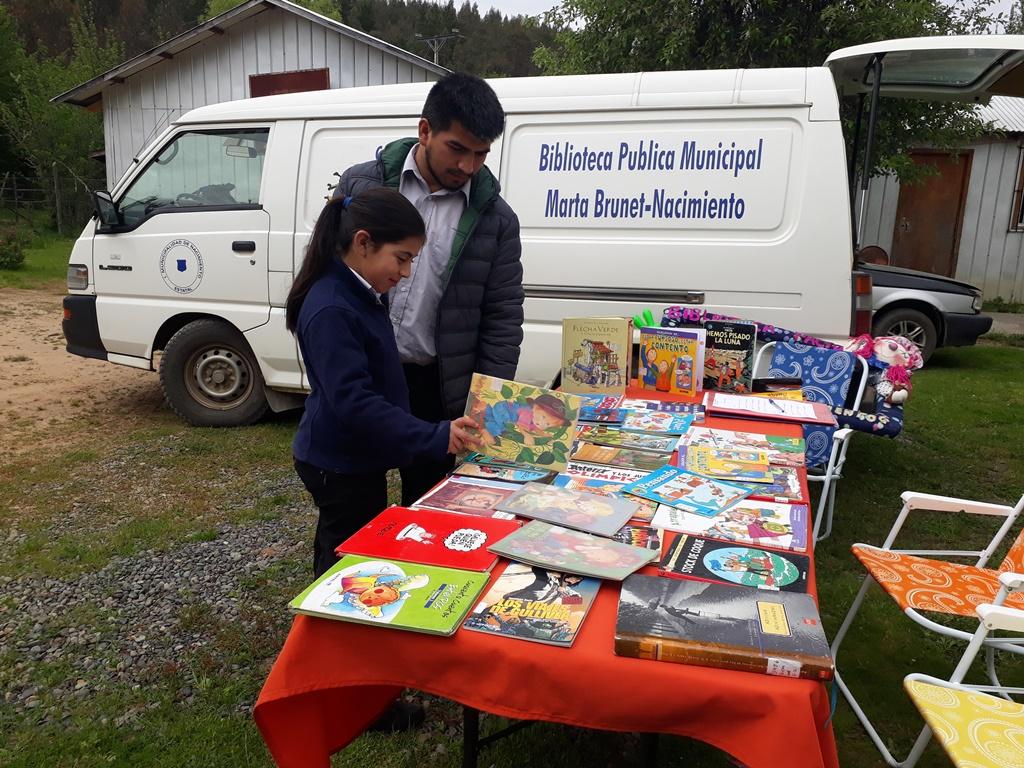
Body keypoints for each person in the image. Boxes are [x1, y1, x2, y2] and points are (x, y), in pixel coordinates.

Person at [333, 72, 524, 507]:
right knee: (353, 509)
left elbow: (502, 316)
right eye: (457, 149)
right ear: (425, 130)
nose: (467, 167)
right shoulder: (363, 186)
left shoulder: (495, 220)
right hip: (365, 376)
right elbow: (326, 277)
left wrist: (486, 403)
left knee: (428, 511)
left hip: (436, 386)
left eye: (480, 154)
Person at [286, 188, 480, 579]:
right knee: (346, 554)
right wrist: (434, 436)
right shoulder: (332, 307)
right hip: (338, 462)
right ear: (363, 243)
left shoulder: (359, 292)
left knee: (352, 541)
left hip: (356, 457)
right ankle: (329, 627)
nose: (406, 272)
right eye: (402, 258)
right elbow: (354, 402)